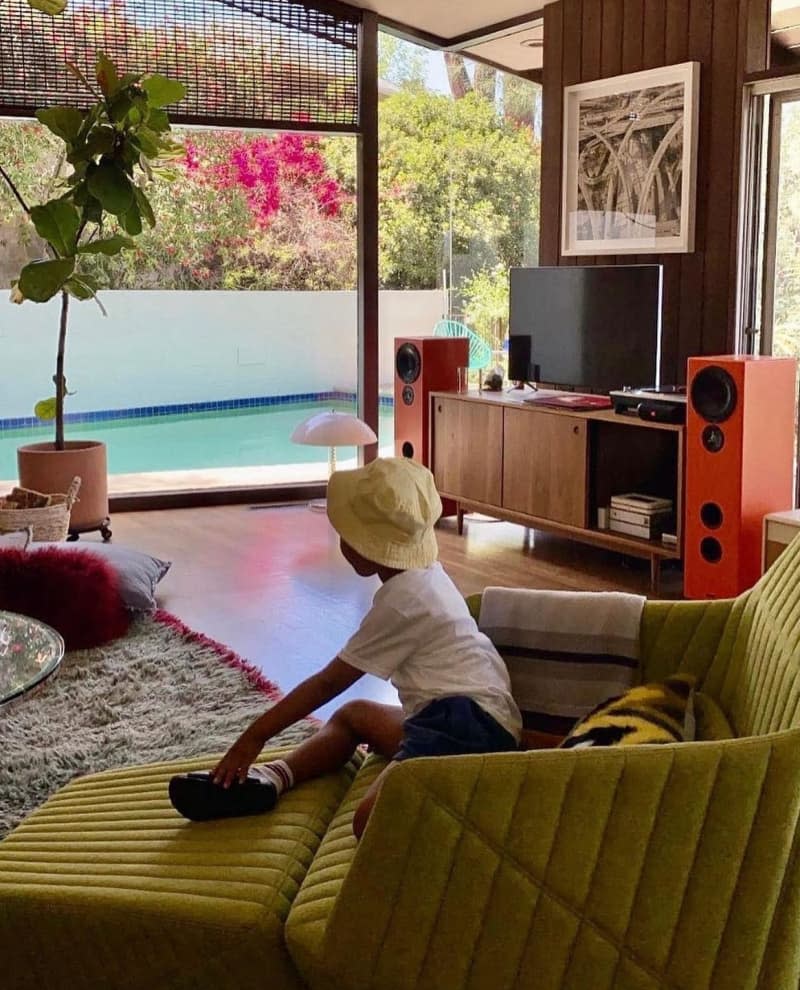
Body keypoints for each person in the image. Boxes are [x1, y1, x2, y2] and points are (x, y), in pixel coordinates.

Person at [169, 457, 521, 837]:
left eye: (346, 533)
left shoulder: (404, 603)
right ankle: (271, 780)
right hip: (466, 718)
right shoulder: (424, 575)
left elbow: (326, 684)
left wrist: (252, 738)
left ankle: (472, 814)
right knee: (354, 716)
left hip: (466, 730)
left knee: (368, 823)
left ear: (368, 547)